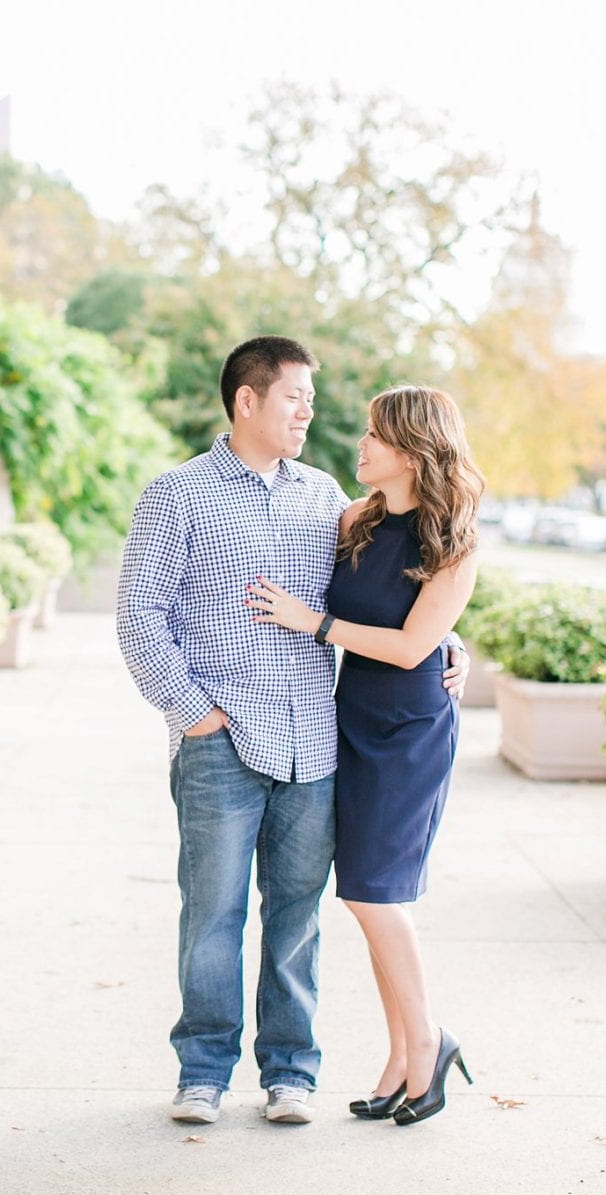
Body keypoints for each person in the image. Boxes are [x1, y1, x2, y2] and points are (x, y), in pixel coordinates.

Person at [115, 338, 467, 1126]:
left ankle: (291, 1073)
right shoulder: (175, 496)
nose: (310, 411)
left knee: (297, 918)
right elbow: (139, 620)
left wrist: (448, 643)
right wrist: (195, 715)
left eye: (312, 398)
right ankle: (203, 1071)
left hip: (316, 742)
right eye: (294, 398)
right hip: (221, 740)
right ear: (247, 400)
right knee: (211, 916)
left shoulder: (328, 498)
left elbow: (392, 596)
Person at [246, 384, 484, 1125]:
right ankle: (401, 1056)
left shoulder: (454, 542)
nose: (361, 444)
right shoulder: (353, 519)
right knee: (364, 893)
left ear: (413, 450)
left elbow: (415, 645)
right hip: (347, 719)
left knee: (374, 893)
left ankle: (428, 1040)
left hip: (409, 732)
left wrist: (312, 624)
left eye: (376, 435)